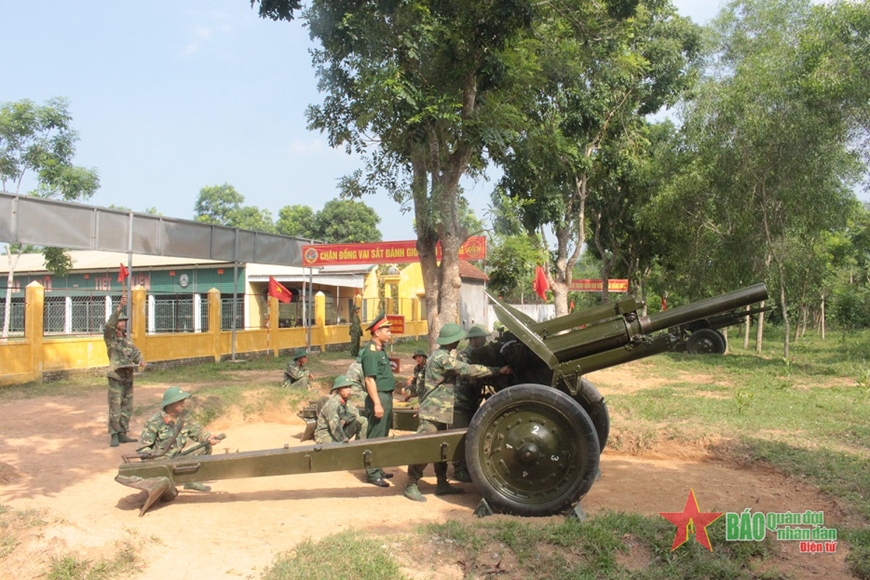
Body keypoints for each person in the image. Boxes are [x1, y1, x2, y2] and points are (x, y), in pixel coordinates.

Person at [404, 323, 511, 502]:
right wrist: (497, 371)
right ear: (451, 341)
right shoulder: (442, 358)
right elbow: (467, 369)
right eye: (456, 339)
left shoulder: (440, 356)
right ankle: (411, 484)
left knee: (441, 449)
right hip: (433, 411)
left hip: (443, 410)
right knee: (423, 447)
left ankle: (442, 483)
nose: (458, 342)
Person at [137, 386, 222, 492]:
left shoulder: (185, 416)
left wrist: (208, 437)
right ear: (171, 403)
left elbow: (198, 432)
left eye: (183, 400)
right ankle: (167, 481)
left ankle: (191, 480)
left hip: (178, 458)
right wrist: (154, 468)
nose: (183, 403)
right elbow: (142, 449)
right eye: (180, 401)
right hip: (161, 465)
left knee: (206, 446)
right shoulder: (154, 422)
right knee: (169, 494)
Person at [104, 293, 146, 448]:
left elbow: (135, 352)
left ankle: (122, 432)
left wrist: (140, 360)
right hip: (116, 376)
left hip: (128, 375)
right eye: (121, 321)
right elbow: (109, 325)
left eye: (124, 321)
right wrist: (120, 306)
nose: (123, 323)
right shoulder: (110, 337)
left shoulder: (127, 338)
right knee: (115, 406)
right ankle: (114, 434)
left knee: (127, 406)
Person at [360, 312, 395, 487]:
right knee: (375, 435)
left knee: (383, 434)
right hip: (379, 396)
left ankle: (378, 467)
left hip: (386, 396)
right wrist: (377, 403)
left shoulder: (380, 350)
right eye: (386, 330)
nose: (389, 334)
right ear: (376, 332)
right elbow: (369, 379)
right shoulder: (371, 352)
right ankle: (372, 473)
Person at [452, 324, 491, 482]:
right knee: (458, 434)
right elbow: (471, 374)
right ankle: (458, 469)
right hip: (461, 401)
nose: (484, 340)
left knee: (469, 435)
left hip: (472, 400)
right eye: (482, 337)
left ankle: (467, 466)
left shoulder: (478, 354)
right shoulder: (463, 356)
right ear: (474, 339)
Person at [314, 375, 369, 444]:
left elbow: (355, 413)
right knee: (339, 448)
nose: (349, 389)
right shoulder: (333, 404)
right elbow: (335, 427)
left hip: (340, 430)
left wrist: (345, 420)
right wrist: (344, 440)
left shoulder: (346, 401)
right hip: (325, 434)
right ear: (338, 390)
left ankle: (360, 447)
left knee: (362, 421)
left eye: (350, 387)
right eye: (345, 387)